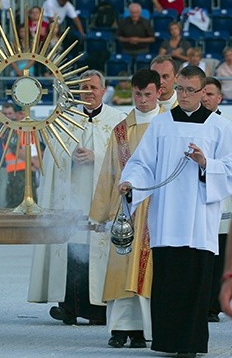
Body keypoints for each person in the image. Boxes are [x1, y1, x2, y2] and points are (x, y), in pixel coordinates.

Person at [119, 65, 232, 358]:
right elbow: (143, 163)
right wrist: (131, 181)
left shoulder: (220, 126)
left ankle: (191, 344)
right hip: (167, 216)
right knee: (169, 278)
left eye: (189, 90)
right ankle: (167, 340)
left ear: (203, 92)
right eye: (179, 89)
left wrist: (207, 163)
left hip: (199, 218)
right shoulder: (161, 124)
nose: (182, 95)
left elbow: (230, 168)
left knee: (194, 279)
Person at [29, 70, 125, 326]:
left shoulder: (118, 121)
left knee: (98, 252)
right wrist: (68, 156)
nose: (88, 92)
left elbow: (126, 160)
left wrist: (98, 158)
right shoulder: (64, 120)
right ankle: (69, 307)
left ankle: (98, 310)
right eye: (83, 87)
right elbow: (50, 158)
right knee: (73, 251)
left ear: (103, 91)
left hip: (100, 202)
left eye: (93, 87)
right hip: (71, 201)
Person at [89, 69, 163, 349]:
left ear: (158, 92)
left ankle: (145, 330)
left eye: (147, 94)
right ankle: (120, 328)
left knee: (150, 270)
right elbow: (108, 173)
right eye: (137, 94)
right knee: (120, 267)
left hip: (157, 211)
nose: (142, 100)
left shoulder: (167, 126)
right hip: (125, 211)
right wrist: (99, 214)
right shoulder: (121, 130)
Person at [200, 77, 232, 323]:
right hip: (199, 200)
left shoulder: (226, 125)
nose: (205, 98)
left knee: (219, 252)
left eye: (210, 94)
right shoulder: (193, 123)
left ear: (219, 98)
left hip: (223, 200)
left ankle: (213, 304)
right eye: (203, 93)